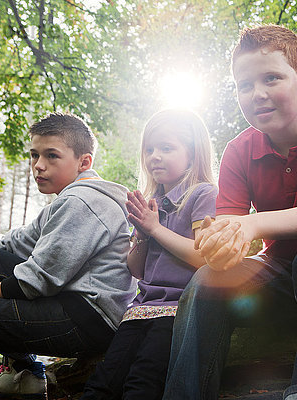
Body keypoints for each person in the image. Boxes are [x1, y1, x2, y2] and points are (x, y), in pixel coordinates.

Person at [162, 25, 297, 400]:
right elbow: (226, 230)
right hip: (279, 271)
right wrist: (220, 245)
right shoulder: (238, 151)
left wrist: (249, 225)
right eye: (244, 85)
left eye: (272, 78)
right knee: (204, 281)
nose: (257, 94)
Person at [0, 112, 137, 400]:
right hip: (72, 307)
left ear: (84, 162)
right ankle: (24, 372)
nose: (38, 166)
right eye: (34, 155)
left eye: (51, 156)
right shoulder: (66, 201)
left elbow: (34, 282)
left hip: (89, 318)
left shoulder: (83, 201)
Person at [80, 108, 217, 400]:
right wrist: (141, 234)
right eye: (150, 149)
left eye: (167, 148)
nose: (155, 156)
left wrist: (154, 229)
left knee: (142, 384)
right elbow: (137, 270)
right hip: (139, 309)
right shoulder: (151, 202)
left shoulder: (203, 194)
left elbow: (201, 256)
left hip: (177, 310)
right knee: (103, 383)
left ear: (192, 155)